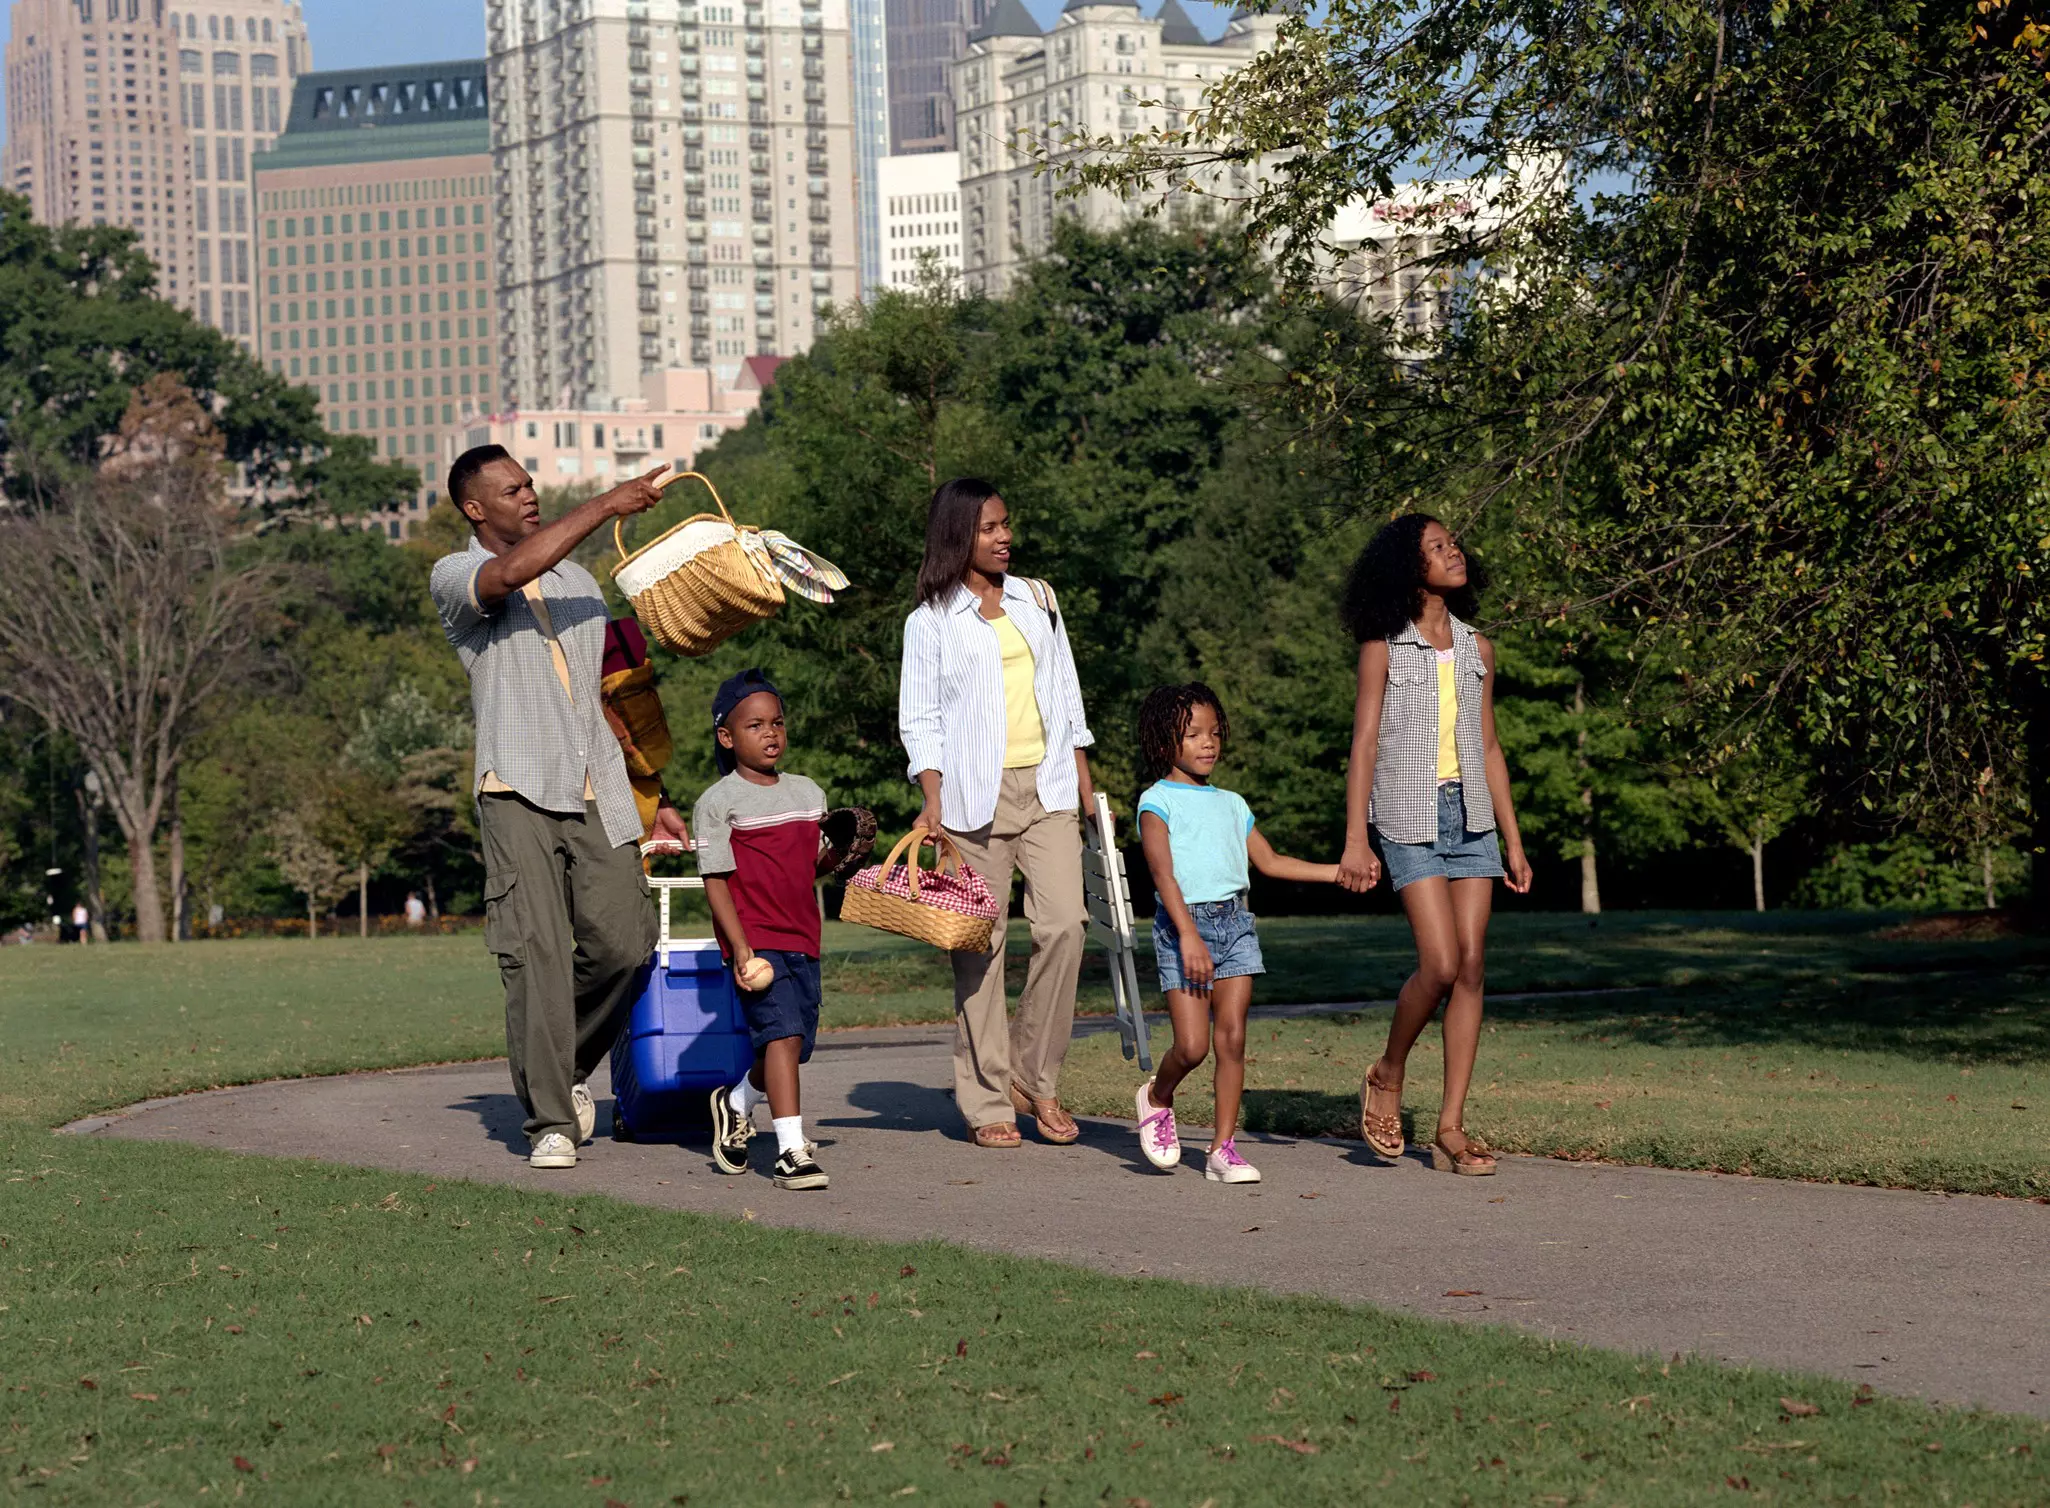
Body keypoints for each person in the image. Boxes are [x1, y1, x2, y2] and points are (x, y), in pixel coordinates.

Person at [428, 445, 686, 1172]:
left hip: (597, 783)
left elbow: (613, 698)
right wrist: (606, 505)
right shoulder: (454, 575)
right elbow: (510, 573)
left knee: (627, 945)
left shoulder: (578, 580)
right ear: (476, 509)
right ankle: (549, 1118)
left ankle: (561, 1062)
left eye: (531, 484)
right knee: (534, 953)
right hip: (514, 784)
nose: (529, 495)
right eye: (511, 490)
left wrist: (654, 795)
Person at [899, 479, 1097, 1149]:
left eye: (1006, 525)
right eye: (989, 528)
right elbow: (920, 721)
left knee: (1066, 925)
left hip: (1047, 790)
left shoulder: (1038, 599)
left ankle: (1034, 1077)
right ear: (958, 535)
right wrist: (931, 798)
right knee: (979, 953)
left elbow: (1065, 693)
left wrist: (1084, 781)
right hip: (968, 800)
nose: (1004, 536)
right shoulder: (930, 623)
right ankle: (987, 1101)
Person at [1337, 515, 1533, 1176]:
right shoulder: (1384, 647)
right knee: (1441, 963)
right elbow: (1364, 744)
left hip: (1472, 816)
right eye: (1437, 547)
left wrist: (1513, 839)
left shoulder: (1478, 648)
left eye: (1454, 544)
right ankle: (1388, 1071)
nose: (1455, 553)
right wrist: (1355, 837)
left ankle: (1449, 1126)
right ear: (1408, 567)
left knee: (1473, 965)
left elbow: (1488, 745)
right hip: (1410, 816)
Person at [1132, 684, 1341, 1184]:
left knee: (1232, 1040)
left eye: (1215, 733)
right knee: (1192, 1047)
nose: (1209, 743)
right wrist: (1187, 936)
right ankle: (1158, 1096)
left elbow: (1269, 861)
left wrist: (1339, 871)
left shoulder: (1232, 803)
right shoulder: (1156, 801)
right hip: (1183, 926)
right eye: (1193, 734)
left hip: (1235, 925)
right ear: (1165, 742)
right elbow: (1163, 876)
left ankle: (1223, 1149)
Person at [697, 670, 831, 1191]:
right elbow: (716, 881)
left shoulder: (808, 792)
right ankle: (791, 1151)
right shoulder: (717, 801)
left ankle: (736, 1101)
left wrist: (844, 851)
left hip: (804, 935)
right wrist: (739, 944)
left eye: (776, 722)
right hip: (756, 941)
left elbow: (809, 868)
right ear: (727, 737)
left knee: (796, 1045)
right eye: (754, 725)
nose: (770, 733)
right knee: (783, 1035)